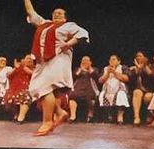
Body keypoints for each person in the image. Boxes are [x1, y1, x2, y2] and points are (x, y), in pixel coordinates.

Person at [22, 1, 89, 136]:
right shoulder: (44, 23)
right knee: (35, 88)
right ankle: (59, 112)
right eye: (55, 13)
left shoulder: (68, 25)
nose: (57, 14)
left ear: (65, 17)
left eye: (60, 13)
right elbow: (30, 11)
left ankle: (47, 121)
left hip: (58, 59)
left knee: (45, 87)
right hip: (42, 62)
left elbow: (83, 33)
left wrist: (69, 43)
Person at [98, 54, 130, 124]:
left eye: (113, 59)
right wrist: (107, 73)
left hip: (120, 89)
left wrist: (114, 72)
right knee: (102, 95)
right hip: (108, 89)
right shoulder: (105, 69)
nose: (111, 61)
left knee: (121, 95)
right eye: (110, 60)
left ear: (119, 61)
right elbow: (100, 81)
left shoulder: (123, 68)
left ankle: (120, 117)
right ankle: (109, 116)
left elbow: (126, 78)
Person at [68, 55, 99, 123]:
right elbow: (73, 77)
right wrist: (80, 70)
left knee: (90, 96)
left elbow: (96, 77)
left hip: (90, 88)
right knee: (72, 95)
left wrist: (89, 68)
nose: (85, 62)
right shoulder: (77, 69)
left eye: (86, 61)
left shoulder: (94, 69)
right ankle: (73, 116)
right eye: (83, 61)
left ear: (90, 62)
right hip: (78, 88)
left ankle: (90, 115)